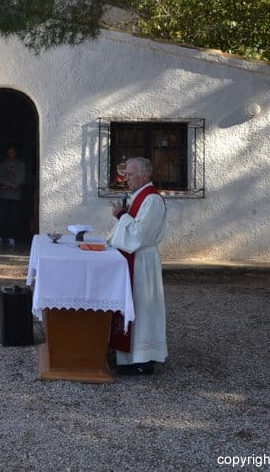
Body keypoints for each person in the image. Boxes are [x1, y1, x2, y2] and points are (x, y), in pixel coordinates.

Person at [108, 156, 168, 376]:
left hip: (142, 262)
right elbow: (130, 229)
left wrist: (121, 215)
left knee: (142, 309)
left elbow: (139, 235)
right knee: (134, 308)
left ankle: (143, 360)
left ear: (145, 174)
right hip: (134, 260)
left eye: (131, 174)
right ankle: (128, 357)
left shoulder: (152, 200)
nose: (126, 178)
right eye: (126, 174)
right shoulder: (138, 197)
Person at [0, 146, 26, 247]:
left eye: (12, 152)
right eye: (9, 153)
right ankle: (0, 237)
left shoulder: (21, 164)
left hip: (15, 195)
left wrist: (12, 184)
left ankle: (13, 238)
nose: (11, 155)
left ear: (16, 153)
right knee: (1, 216)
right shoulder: (2, 164)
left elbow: (22, 178)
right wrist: (10, 184)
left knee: (14, 217)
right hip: (3, 195)